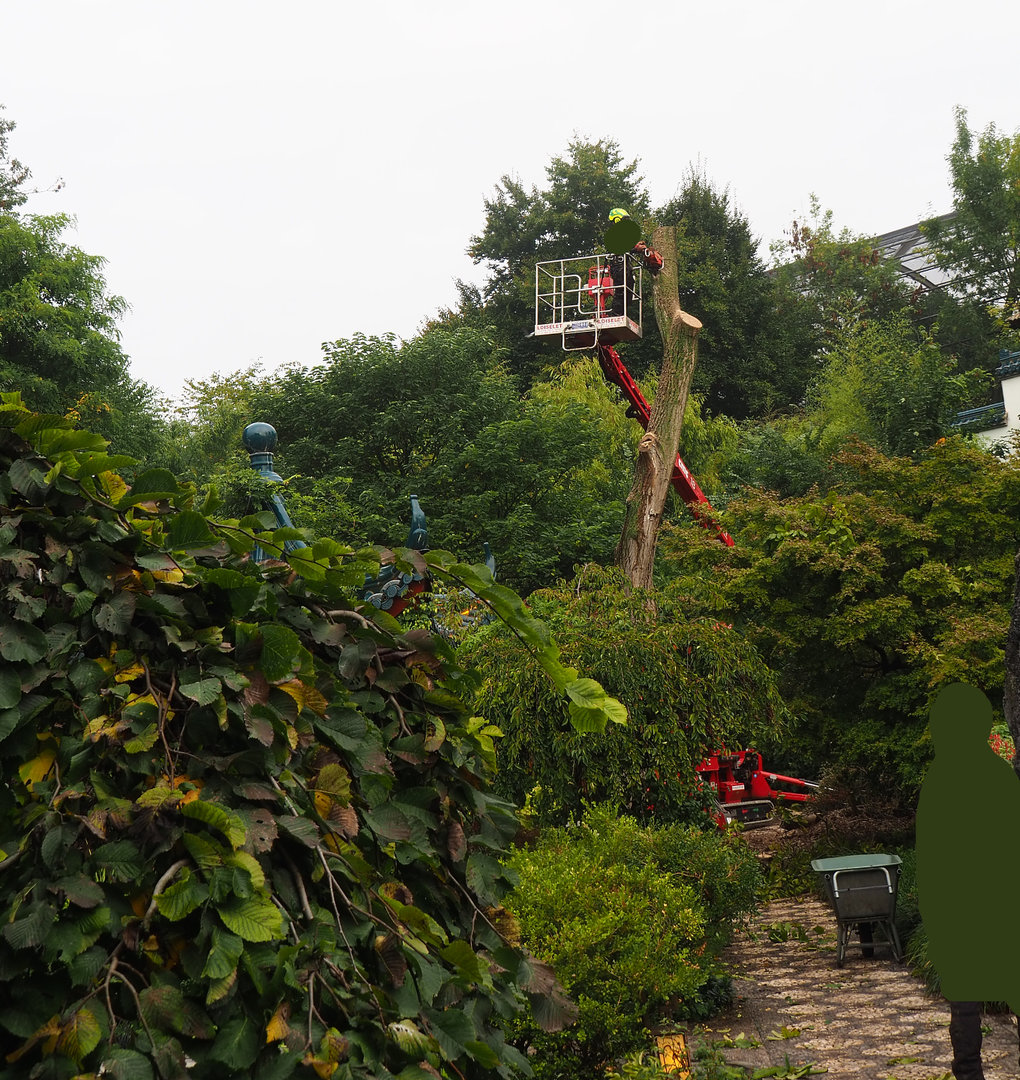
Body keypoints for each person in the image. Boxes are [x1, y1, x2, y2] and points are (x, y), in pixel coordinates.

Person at [915, 683, 1020, 1080]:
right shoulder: (1000, 777)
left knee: (964, 1007)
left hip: (961, 912)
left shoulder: (940, 782)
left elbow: (931, 860)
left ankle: (969, 1074)